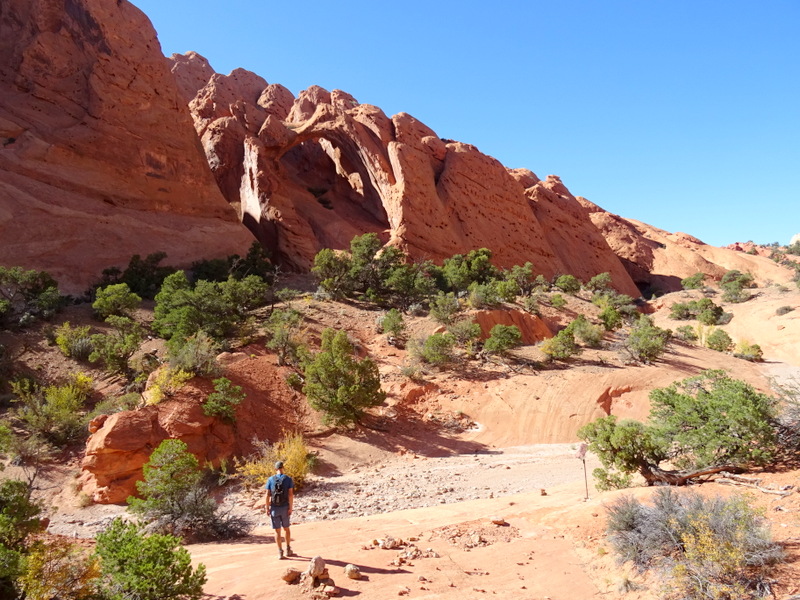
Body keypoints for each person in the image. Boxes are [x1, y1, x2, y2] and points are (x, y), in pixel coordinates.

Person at [265, 460, 295, 559]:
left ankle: (280, 552)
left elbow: (267, 495)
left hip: (274, 508)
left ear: (275, 469)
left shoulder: (270, 479)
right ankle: (288, 549)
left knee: (277, 531)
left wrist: (267, 508)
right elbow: (290, 495)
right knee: (286, 529)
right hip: (285, 507)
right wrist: (290, 508)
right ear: (283, 468)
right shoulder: (288, 479)